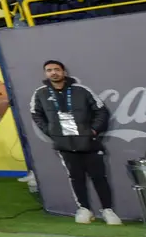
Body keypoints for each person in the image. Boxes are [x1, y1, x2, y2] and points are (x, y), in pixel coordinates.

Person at [29, 60, 120, 225]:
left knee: (99, 177)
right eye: (49, 70)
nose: (53, 73)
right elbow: (36, 114)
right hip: (64, 144)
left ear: (64, 72)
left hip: (88, 142)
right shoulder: (40, 93)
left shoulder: (81, 90)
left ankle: (108, 210)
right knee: (75, 178)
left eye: (57, 69)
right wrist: (50, 131)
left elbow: (101, 110)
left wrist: (93, 131)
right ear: (45, 74)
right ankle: (84, 209)